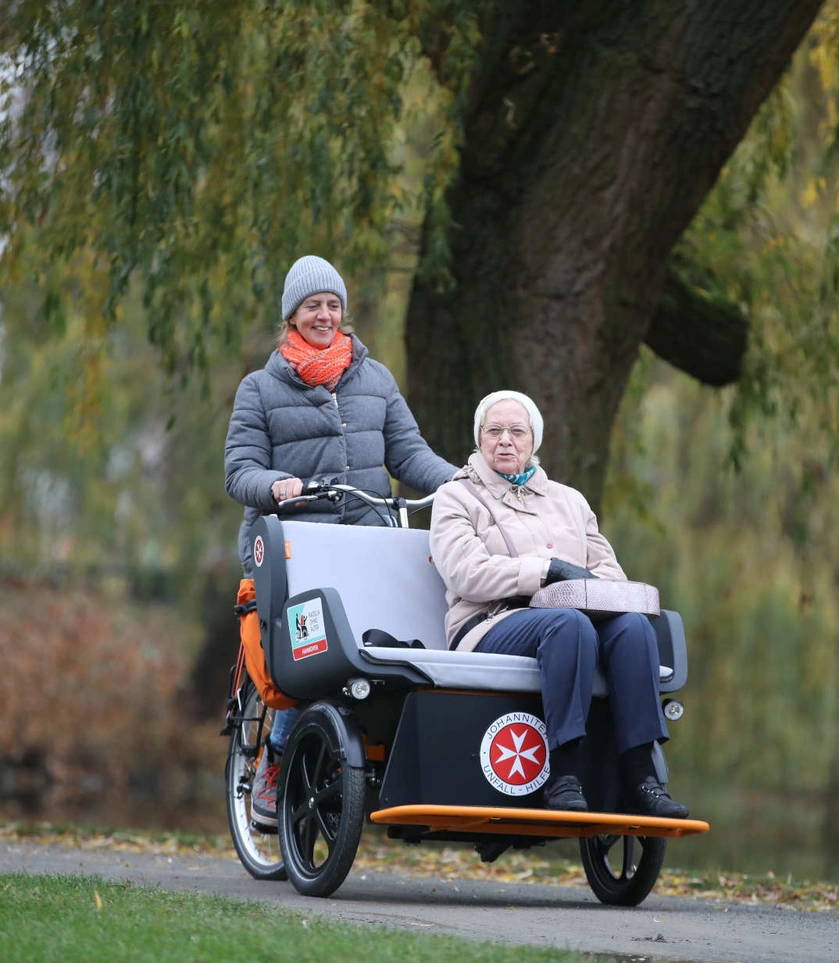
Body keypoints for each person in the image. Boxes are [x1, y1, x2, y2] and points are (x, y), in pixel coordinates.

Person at [225, 255, 457, 829]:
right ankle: (275, 766)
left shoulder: (375, 379)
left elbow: (408, 454)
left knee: (406, 645)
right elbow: (239, 472)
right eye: (312, 307)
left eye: (332, 305)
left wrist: (461, 482)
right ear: (292, 317)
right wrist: (276, 485)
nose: (324, 315)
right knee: (310, 660)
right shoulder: (259, 388)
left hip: (371, 543)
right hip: (295, 547)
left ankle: (398, 768)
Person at [428, 390, 689, 818]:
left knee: (634, 628)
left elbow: (609, 572)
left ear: (534, 441)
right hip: (490, 621)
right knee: (568, 625)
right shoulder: (456, 497)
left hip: (572, 619)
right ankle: (564, 773)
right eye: (494, 431)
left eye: (517, 431)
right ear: (479, 440)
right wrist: (545, 571)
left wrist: (592, 590)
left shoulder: (570, 500)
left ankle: (642, 776)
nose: (505, 441)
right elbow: (466, 574)